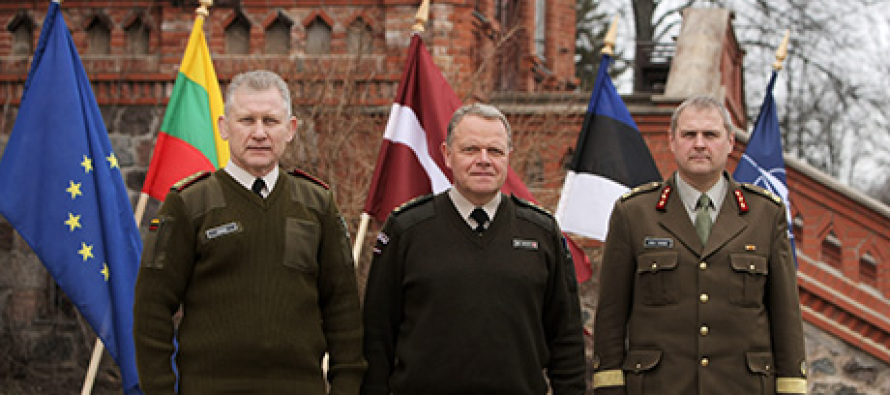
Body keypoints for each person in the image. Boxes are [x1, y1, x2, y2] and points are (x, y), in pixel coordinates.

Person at [133, 70, 365, 394]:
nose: (259, 133)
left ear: (290, 129)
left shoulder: (317, 204)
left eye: (270, 121)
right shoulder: (190, 204)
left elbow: (344, 312)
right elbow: (151, 309)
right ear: (224, 128)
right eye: (247, 120)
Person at [361, 103, 586, 395]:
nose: (484, 160)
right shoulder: (407, 229)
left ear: (508, 158)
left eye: (495, 151)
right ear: (446, 155)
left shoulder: (541, 232)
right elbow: (377, 338)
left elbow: (566, 340)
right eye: (470, 150)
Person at [591, 95, 807, 394]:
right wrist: (609, 384)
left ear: (731, 142)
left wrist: (792, 385)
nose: (700, 144)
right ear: (672, 141)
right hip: (659, 387)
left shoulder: (765, 214)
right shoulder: (634, 213)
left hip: (742, 387)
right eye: (689, 134)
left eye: (711, 135)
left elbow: (785, 313)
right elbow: (612, 314)